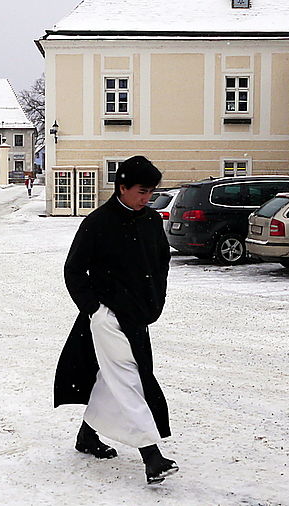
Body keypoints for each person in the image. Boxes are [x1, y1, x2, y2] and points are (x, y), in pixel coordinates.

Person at [54, 155, 177, 484]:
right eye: (141, 191)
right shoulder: (97, 223)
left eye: (151, 192)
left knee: (110, 379)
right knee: (129, 378)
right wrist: (96, 309)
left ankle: (87, 435)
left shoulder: (150, 221)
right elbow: (74, 271)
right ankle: (151, 456)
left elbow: (161, 262)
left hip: (138, 317)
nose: (146, 198)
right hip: (106, 316)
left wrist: (156, 300)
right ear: (121, 187)